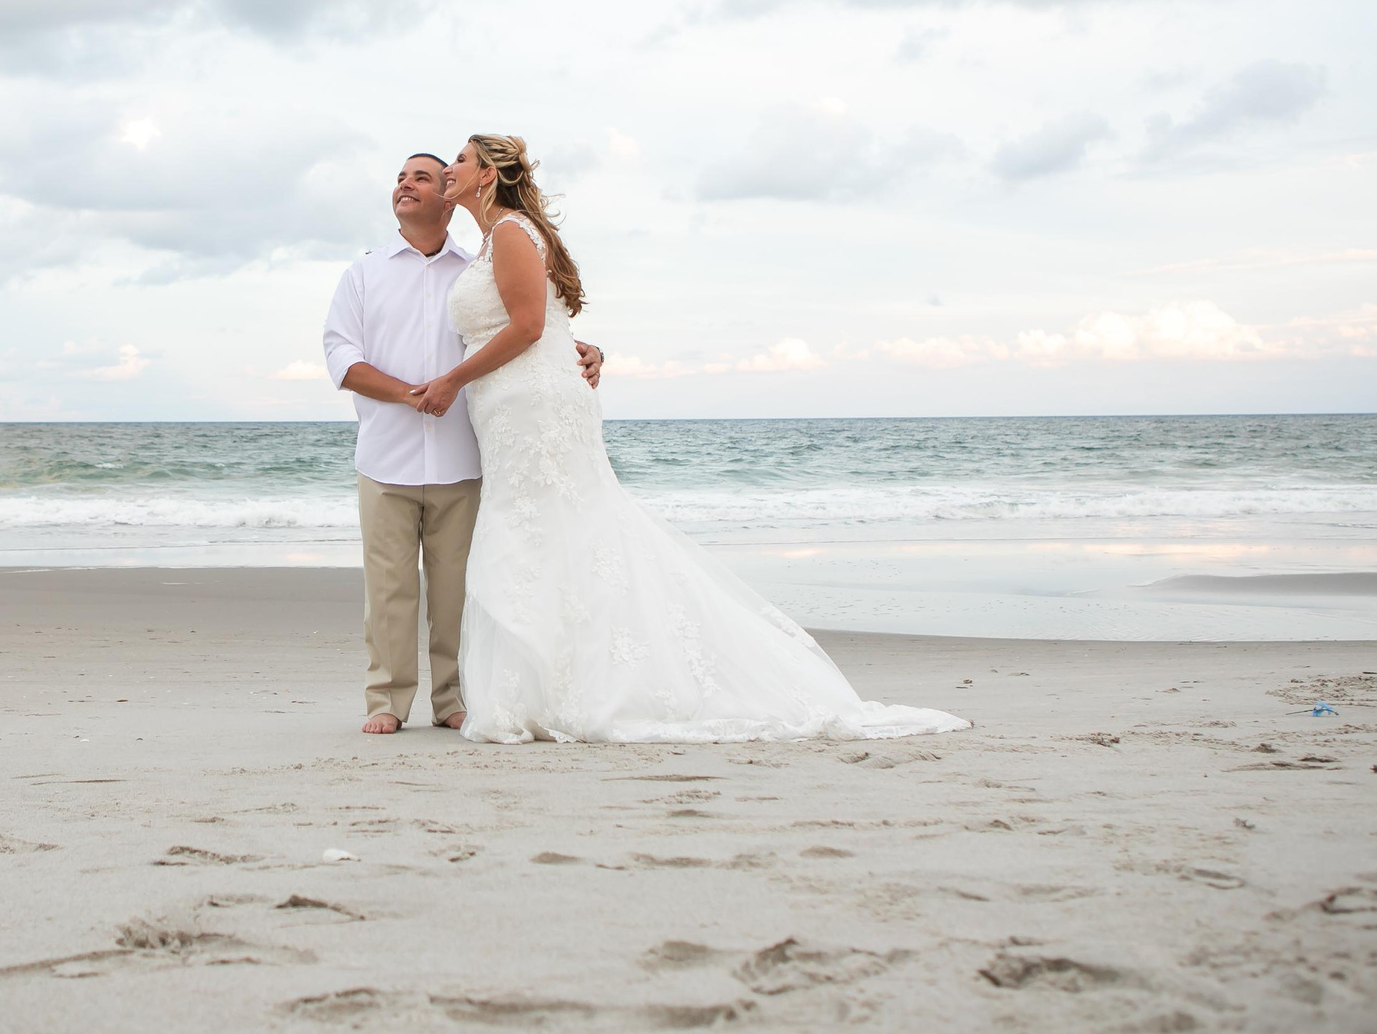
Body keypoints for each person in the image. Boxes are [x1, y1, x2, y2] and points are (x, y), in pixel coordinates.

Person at [407, 134, 970, 745]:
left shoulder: (513, 232)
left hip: (534, 408)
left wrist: (453, 380)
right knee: (553, 531)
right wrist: (581, 351)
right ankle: (550, 682)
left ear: (487, 175)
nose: (450, 169)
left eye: (460, 161)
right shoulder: (498, 239)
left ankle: (568, 686)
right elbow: (545, 327)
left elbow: (529, 324)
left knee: (553, 528)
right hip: (515, 407)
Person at [321, 152, 601, 734]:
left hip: (463, 455)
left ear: (448, 197)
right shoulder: (364, 271)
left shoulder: (476, 263)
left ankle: (451, 699)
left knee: (456, 591)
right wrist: (406, 394)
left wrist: (587, 350)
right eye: (401, 177)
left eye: (422, 177)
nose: (407, 184)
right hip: (385, 456)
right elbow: (341, 357)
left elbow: (527, 320)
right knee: (389, 592)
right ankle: (387, 702)